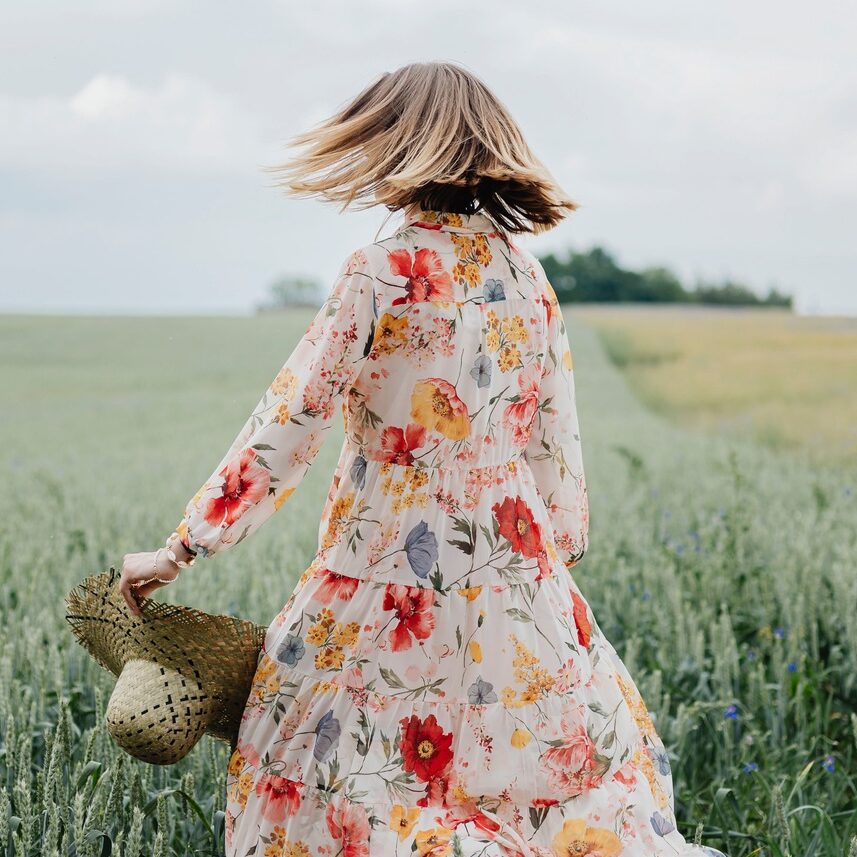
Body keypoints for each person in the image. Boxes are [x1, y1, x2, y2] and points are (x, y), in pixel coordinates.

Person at [120, 61, 726, 857]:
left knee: (337, 772)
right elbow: (555, 446)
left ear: (399, 148)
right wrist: (546, 561)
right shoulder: (525, 276)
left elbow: (292, 419)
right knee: (528, 784)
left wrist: (182, 547)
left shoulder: (379, 272)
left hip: (383, 568)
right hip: (516, 574)